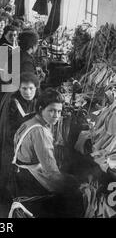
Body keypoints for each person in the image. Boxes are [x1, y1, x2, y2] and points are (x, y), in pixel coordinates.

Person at [11, 88, 82, 217]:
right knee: (75, 191)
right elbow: (51, 171)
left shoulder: (30, 121)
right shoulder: (40, 132)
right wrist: (67, 185)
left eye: (59, 111)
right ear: (40, 109)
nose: (56, 116)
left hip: (19, 173)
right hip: (29, 180)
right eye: (51, 111)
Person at [0, 72, 39, 201]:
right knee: (9, 166)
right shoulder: (12, 103)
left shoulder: (36, 101)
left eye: (31, 89)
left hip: (27, 140)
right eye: (24, 88)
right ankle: (5, 193)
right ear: (18, 88)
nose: (28, 92)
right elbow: (9, 128)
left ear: (36, 88)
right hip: (12, 140)